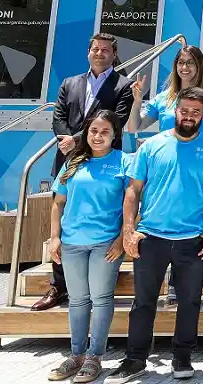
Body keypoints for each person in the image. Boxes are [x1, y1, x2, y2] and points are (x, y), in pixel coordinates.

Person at [108, 87, 203, 384]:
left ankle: (182, 357)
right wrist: (129, 230)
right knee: (143, 302)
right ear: (175, 110)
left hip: (192, 240)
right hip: (151, 237)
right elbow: (133, 190)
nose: (189, 116)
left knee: (189, 302)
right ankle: (135, 359)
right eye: (184, 110)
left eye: (196, 112)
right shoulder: (151, 145)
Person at [36, 33, 134, 312]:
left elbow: (118, 120)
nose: (100, 53)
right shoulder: (70, 83)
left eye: (106, 50)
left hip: (104, 162)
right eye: (95, 49)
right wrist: (65, 140)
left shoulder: (123, 86)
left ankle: (97, 282)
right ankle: (59, 286)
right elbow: (58, 116)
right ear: (88, 52)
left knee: (104, 214)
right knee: (65, 216)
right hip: (68, 159)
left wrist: (76, 140)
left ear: (114, 55)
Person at [46, 111, 130, 384]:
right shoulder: (73, 161)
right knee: (78, 300)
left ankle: (95, 357)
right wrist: (55, 238)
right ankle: (76, 355)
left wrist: (122, 239)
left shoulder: (124, 162)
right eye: (93, 130)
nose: (98, 136)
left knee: (101, 299)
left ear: (115, 135)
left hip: (106, 243)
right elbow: (58, 203)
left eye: (105, 131)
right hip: (72, 242)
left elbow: (133, 204)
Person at [127, 45, 203, 137]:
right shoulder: (163, 97)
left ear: (199, 66)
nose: (184, 67)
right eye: (181, 62)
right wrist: (137, 101)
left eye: (190, 62)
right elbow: (134, 128)